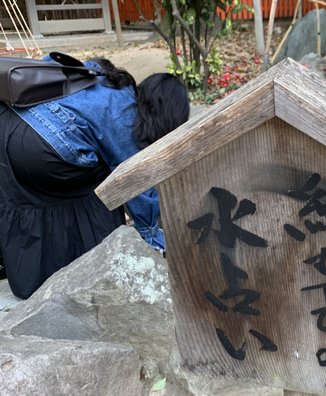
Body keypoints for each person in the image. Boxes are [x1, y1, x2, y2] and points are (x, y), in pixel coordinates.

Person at [0, 55, 190, 299]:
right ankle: (95, 264)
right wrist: (155, 244)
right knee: (104, 178)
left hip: (9, 122)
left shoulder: (104, 79)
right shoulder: (126, 114)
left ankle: (32, 272)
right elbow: (135, 185)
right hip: (36, 149)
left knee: (91, 156)